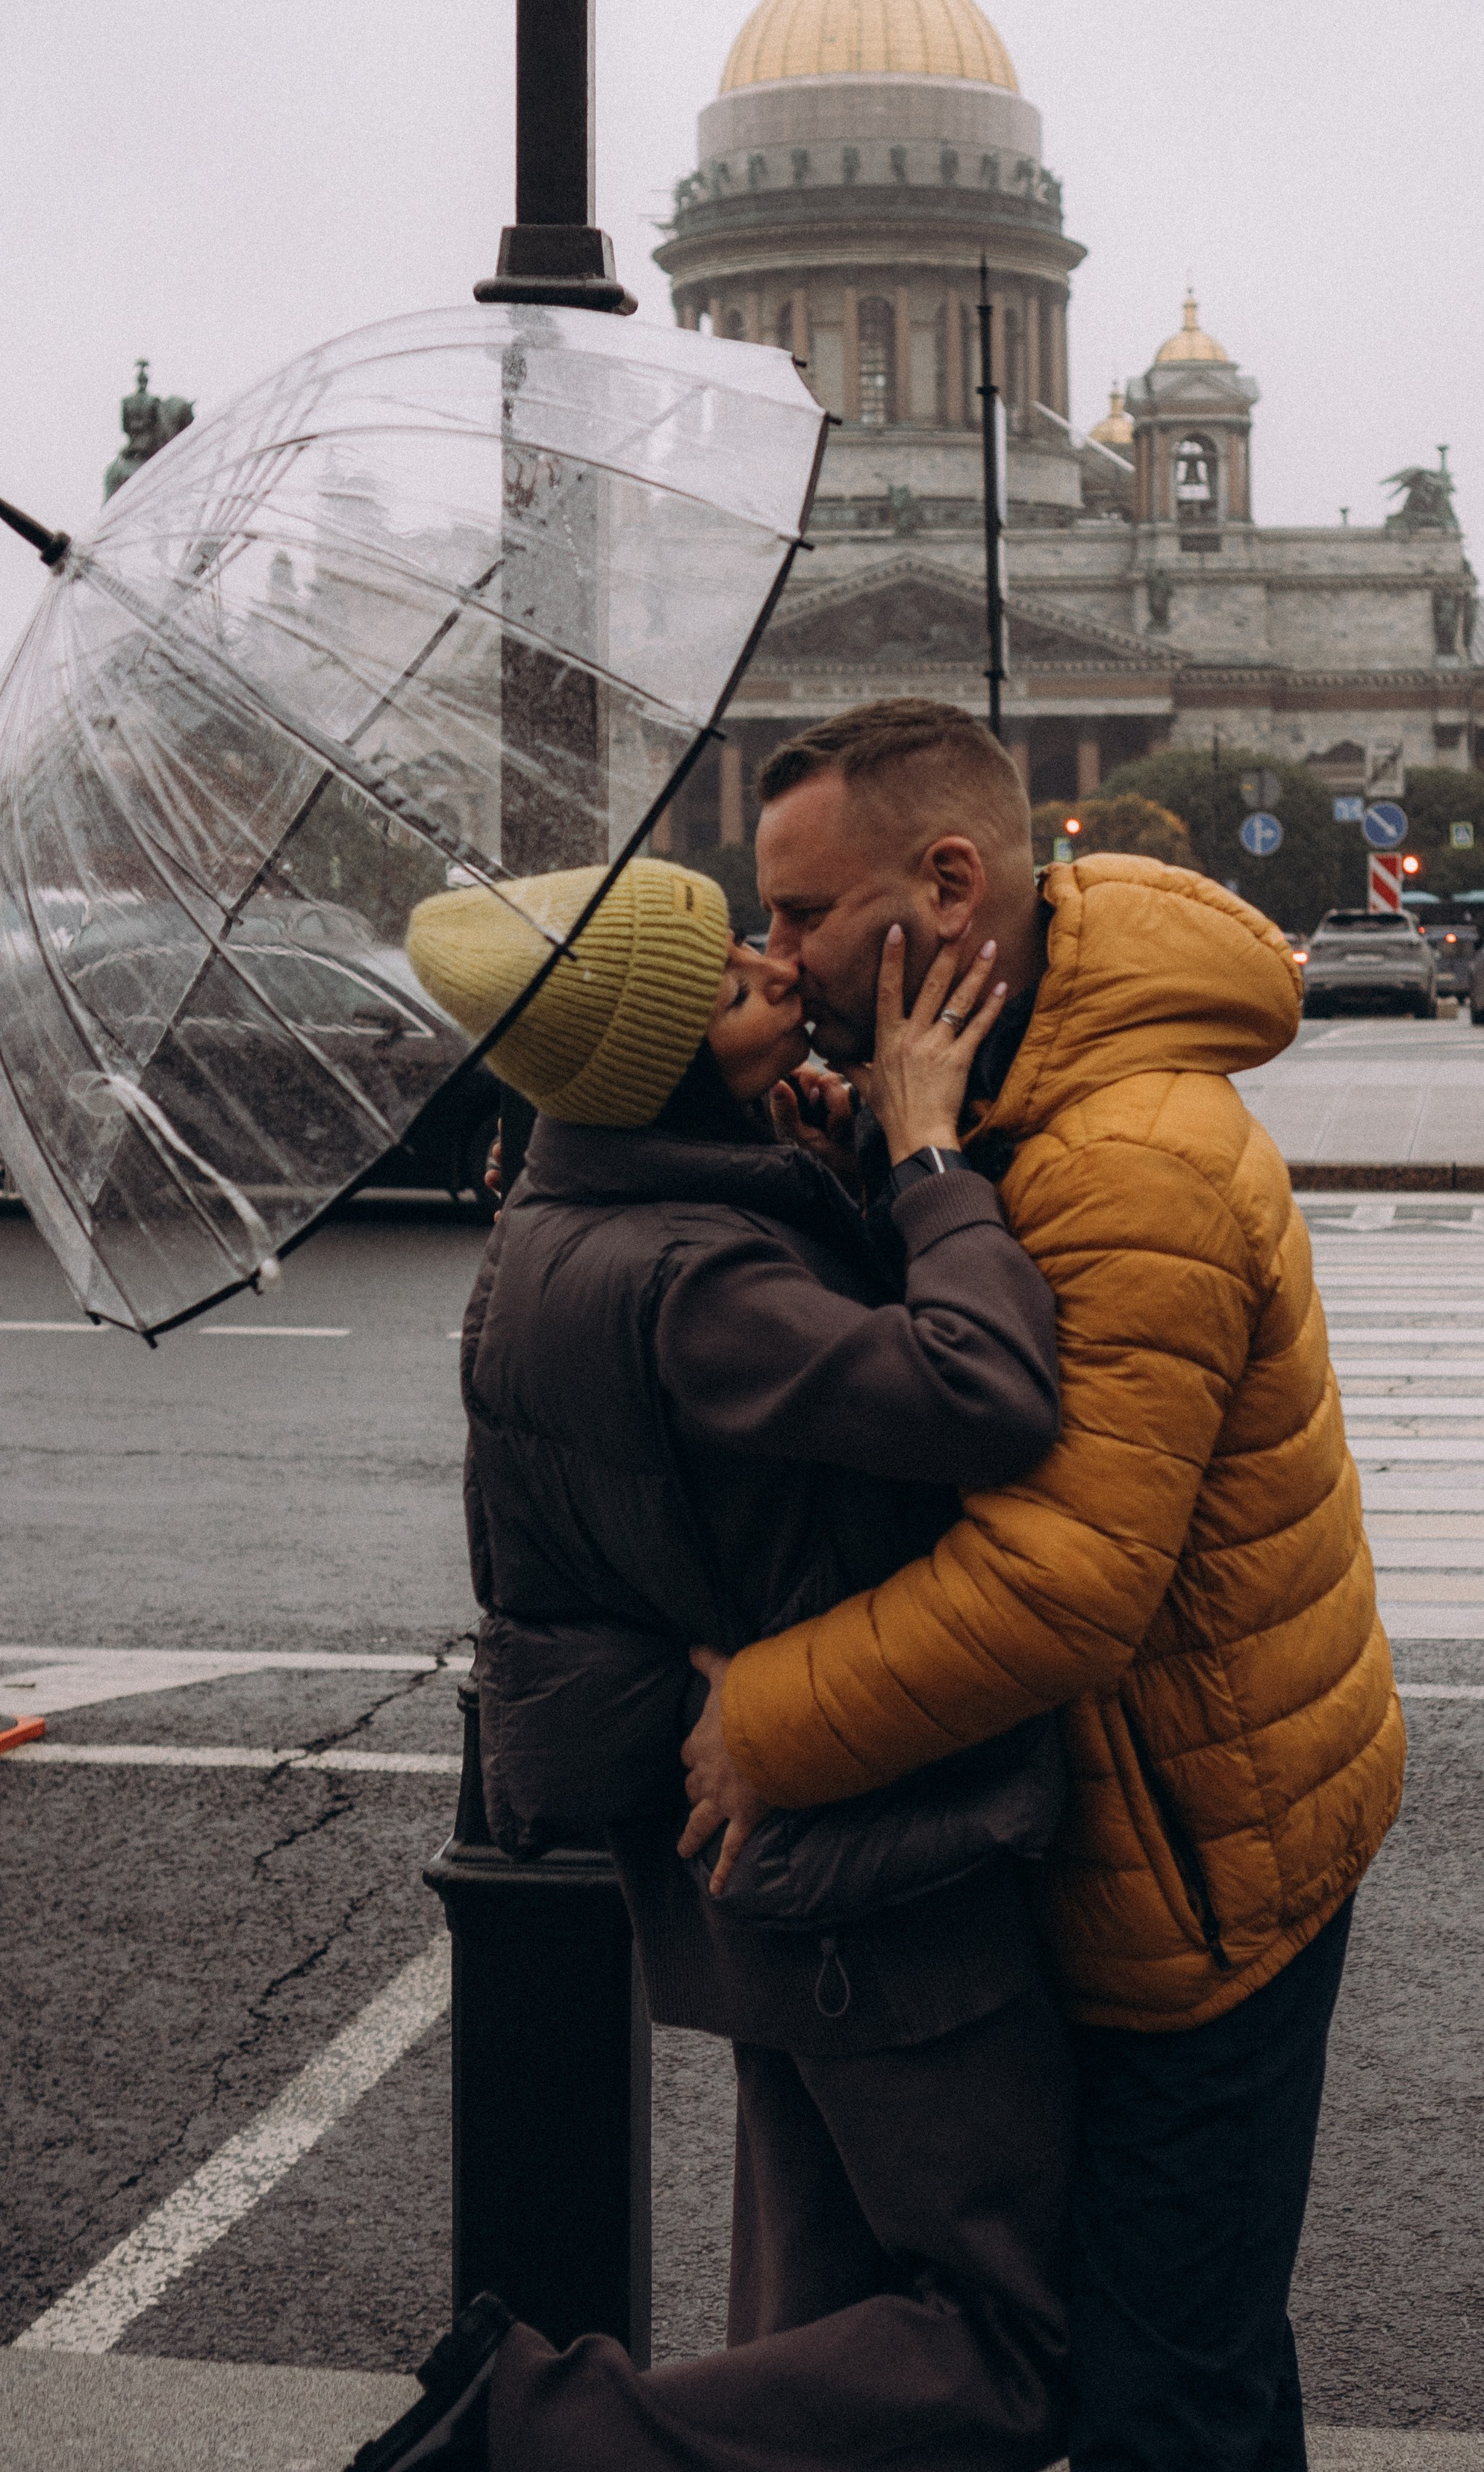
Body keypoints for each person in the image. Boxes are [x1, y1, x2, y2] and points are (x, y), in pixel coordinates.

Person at [679, 698, 1407, 2472]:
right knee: (1190, 2342)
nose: (776, 961)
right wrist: (875, 1154)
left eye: (799, 918)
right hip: (1132, 1824)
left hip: (1203, 1867)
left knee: (1163, 2394)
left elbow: (1063, 1582)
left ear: (946, 886)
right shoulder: (1013, 1091)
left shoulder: (1120, 1153)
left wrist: (763, 1723)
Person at [354, 854, 1075, 2472]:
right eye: (733, 972)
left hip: (752, 1858)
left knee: (816, 2325)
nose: (774, 967)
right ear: (663, 1055)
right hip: (857, 1858)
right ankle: (532, 2435)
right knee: (1019, 2341)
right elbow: (984, 1397)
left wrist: (817, 1172)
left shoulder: (582, 1215)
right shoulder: (696, 1279)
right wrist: (931, 1153)